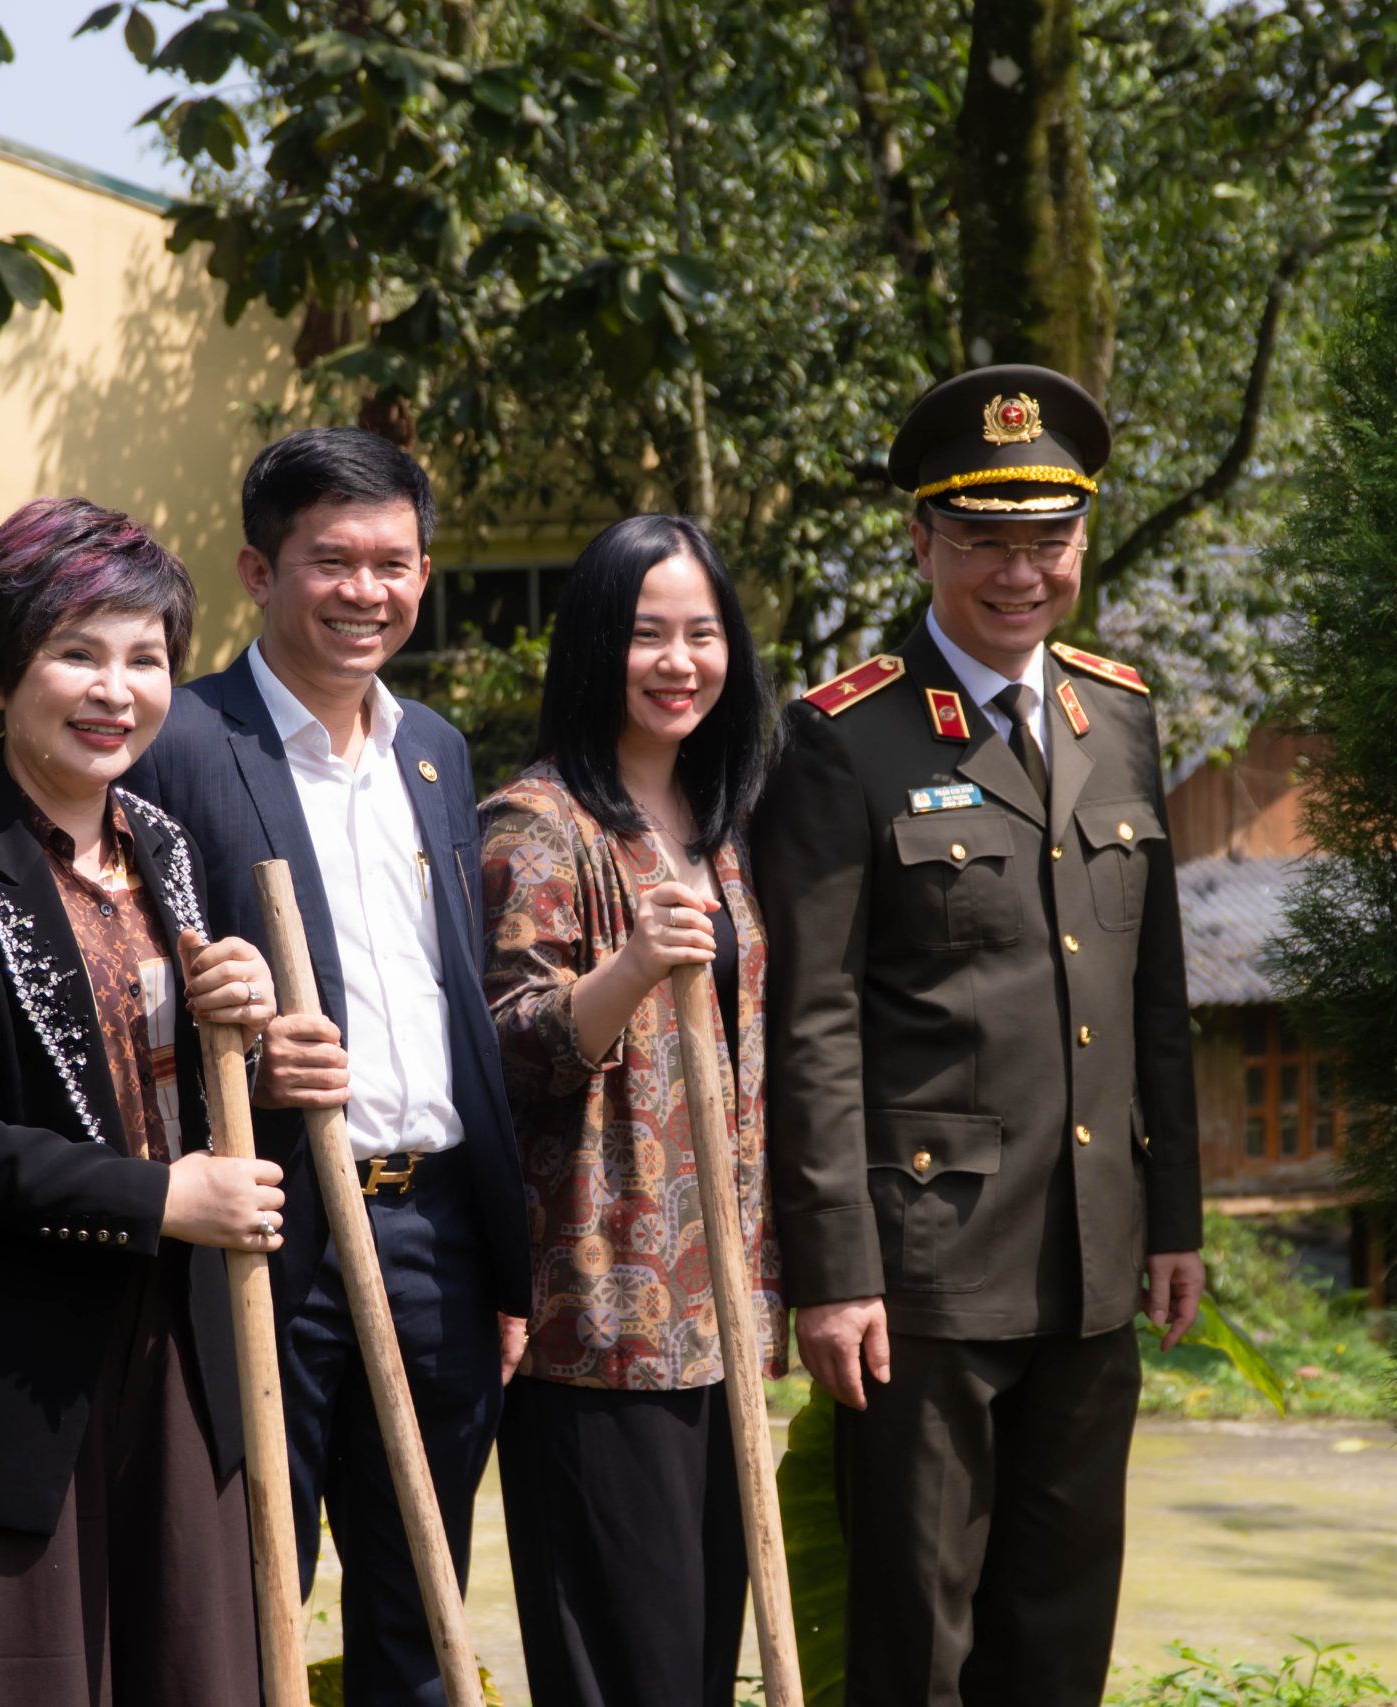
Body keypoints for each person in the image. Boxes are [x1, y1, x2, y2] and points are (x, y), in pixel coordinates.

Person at [751, 365, 1206, 1707]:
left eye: (1049, 539)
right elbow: (815, 1021)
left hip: (1092, 1251)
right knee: (918, 1637)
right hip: (925, 1271)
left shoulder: (1115, 713)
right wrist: (835, 1269)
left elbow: (1153, 996)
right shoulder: (846, 738)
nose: (1021, 572)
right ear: (923, 542)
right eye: (985, 540)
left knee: (1061, 1628)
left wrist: (1171, 1216)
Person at [0, 498, 286, 1704]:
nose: (115, 689)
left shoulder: (165, 844)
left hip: (189, 1356)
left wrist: (242, 1029)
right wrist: (157, 1196)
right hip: (4, 1372)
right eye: (77, 653)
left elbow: (184, 1093)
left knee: (198, 1673)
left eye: (146, 658)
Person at [122, 426, 532, 1707]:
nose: (368, 591)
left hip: (439, 1238)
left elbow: (457, 998)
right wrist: (218, 1028)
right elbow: (116, 980)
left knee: (424, 1583)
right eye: (331, 561)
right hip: (271, 1237)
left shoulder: (436, 751)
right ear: (258, 568)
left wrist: (500, 1252)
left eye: (394, 563)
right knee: (254, 1589)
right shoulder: (181, 743)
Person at [477, 514, 782, 1707]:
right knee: (627, 1669)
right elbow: (506, 1048)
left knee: (702, 1663)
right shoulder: (536, 824)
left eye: (702, 635)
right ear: (595, 646)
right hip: (601, 1324)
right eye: (647, 634)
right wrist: (629, 967)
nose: (678, 663)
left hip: (726, 1319)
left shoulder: (724, 826)